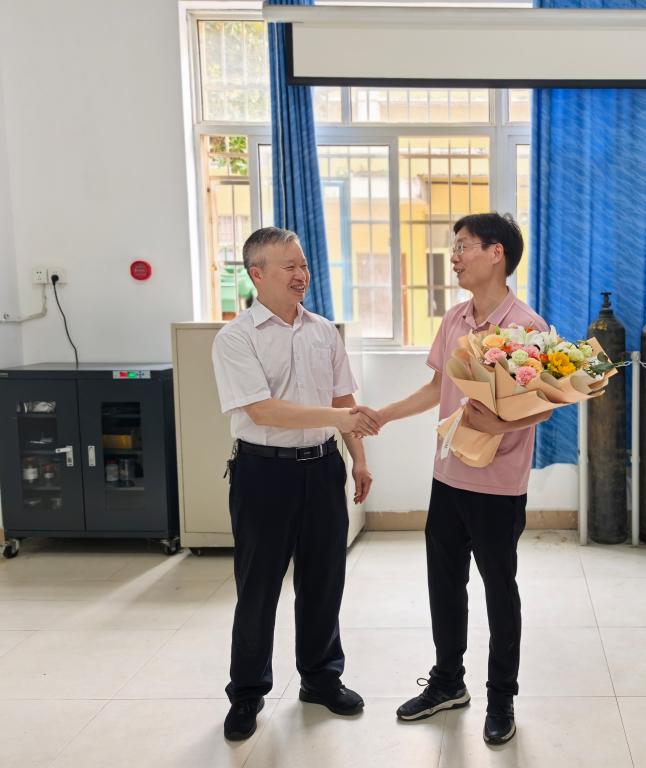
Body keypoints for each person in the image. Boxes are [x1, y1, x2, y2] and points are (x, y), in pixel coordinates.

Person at [370, 212, 550, 746]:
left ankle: (502, 698)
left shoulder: (527, 326)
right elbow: (436, 389)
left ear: (496, 253)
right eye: (455, 247)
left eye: (464, 246)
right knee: (444, 584)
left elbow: (544, 404)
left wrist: (501, 424)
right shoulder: (455, 319)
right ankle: (448, 682)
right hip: (448, 475)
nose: (454, 257)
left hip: (497, 482)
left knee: (499, 590)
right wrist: (383, 415)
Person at [212, 226, 380, 742]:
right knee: (258, 587)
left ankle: (321, 678)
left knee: (324, 579)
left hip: (323, 468)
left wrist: (359, 460)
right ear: (257, 274)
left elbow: (344, 401)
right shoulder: (236, 338)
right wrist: (340, 419)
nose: (301, 274)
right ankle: (247, 694)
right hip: (264, 473)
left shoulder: (323, 331)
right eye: (289, 266)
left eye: (303, 264)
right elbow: (263, 410)